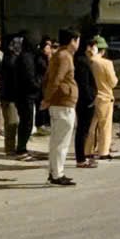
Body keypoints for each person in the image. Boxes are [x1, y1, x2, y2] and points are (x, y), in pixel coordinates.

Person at [43, 28, 80, 185]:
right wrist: (47, 98)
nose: (78, 44)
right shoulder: (65, 57)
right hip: (63, 103)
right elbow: (56, 80)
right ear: (73, 40)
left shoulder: (59, 55)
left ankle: (54, 171)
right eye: (78, 40)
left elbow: (48, 78)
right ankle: (58, 174)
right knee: (61, 141)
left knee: (56, 140)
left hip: (59, 103)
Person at [86, 36, 118, 161]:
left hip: (90, 97)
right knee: (104, 126)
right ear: (103, 50)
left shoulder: (88, 62)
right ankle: (103, 151)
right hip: (105, 97)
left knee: (90, 126)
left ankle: (87, 150)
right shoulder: (106, 63)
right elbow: (113, 82)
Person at [14, 33, 42, 160]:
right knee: (26, 122)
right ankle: (21, 150)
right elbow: (29, 78)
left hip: (24, 94)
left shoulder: (28, 57)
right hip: (25, 95)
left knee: (26, 122)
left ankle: (22, 148)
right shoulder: (26, 58)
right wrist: (38, 84)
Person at [74, 34, 99, 169]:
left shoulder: (82, 60)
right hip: (85, 101)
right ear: (88, 47)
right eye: (94, 46)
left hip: (84, 100)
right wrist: (90, 99)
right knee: (83, 130)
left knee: (83, 130)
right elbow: (84, 84)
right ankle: (81, 159)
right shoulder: (82, 62)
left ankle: (82, 157)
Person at [0, 34, 23, 156]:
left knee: (13, 122)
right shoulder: (11, 59)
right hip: (9, 96)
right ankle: (10, 149)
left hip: (11, 95)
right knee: (12, 123)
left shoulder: (12, 58)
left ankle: (12, 147)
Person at [34, 36, 52, 134]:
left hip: (44, 84)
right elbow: (46, 70)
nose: (49, 50)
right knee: (40, 104)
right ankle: (39, 124)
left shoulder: (44, 57)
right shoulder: (39, 58)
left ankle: (43, 123)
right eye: (47, 47)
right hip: (39, 84)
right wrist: (49, 58)